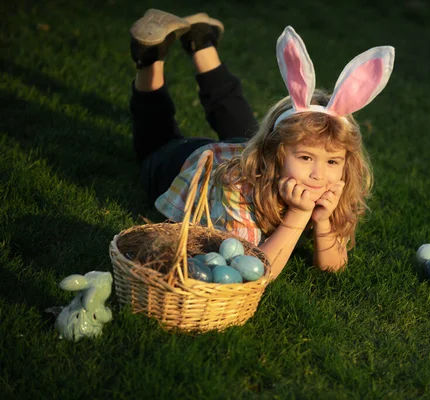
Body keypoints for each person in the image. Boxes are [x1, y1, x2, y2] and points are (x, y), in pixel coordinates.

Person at [129, 9, 395, 280]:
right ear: (275, 153)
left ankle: (202, 42)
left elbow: (333, 266)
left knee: (236, 116)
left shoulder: (332, 185)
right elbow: (253, 271)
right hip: (183, 162)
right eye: (306, 158)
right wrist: (298, 215)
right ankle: (149, 57)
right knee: (156, 136)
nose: (319, 174)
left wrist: (323, 220)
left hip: (244, 150)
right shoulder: (238, 185)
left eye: (332, 161)